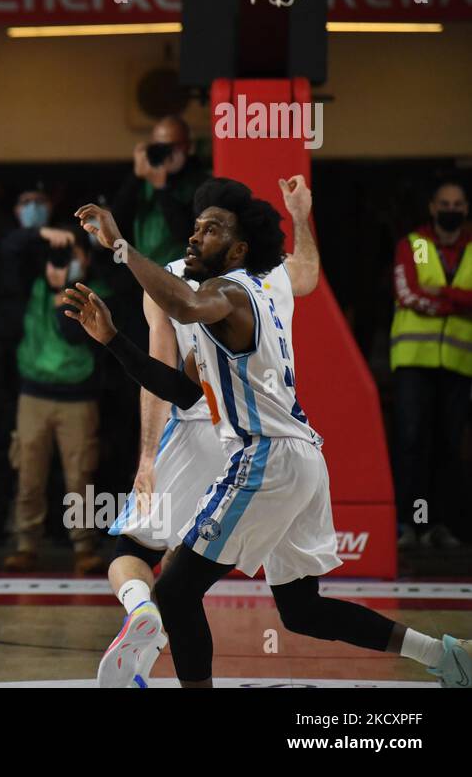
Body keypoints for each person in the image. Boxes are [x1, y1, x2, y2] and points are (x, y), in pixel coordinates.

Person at [68, 180, 472, 689]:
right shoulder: (237, 302)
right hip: (301, 459)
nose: (194, 238)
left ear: (238, 250)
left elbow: (185, 307)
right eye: (194, 228)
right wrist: (112, 340)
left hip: (266, 460)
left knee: (173, 592)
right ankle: (446, 656)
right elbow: (182, 389)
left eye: (210, 231)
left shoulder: (228, 293)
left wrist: (121, 249)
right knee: (302, 610)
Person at [97, 175, 321, 688]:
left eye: (208, 226)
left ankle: (142, 615)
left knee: (136, 554)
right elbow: (307, 273)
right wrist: (302, 215)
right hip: (268, 439)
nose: (199, 234)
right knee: (201, 577)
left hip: (205, 427)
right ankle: (157, 642)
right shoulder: (269, 275)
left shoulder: (170, 281)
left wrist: (148, 456)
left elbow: (160, 373)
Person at [4, 225, 106, 576]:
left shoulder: (92, 294)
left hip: (77, 398)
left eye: (70, 256)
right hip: (33, 394)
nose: (61, 264)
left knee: (80, 476)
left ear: (85, 259)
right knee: (29, 473)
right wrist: (42, 234)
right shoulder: (30, 288)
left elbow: (73, 335)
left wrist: (63, 292)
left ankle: (84, 545)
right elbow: (8, 249)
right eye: (57, 258)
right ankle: (26, 544)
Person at [389, 177, 472, 550]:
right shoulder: (417, 246)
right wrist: (459, 302)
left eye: (458, 204)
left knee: (449, 447)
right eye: (445, 203)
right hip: (414, 363)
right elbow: (409, 293)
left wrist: (445, 295)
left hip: (457, 364)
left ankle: (439, 524)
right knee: (412, 443)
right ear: (433, 208)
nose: (451, 210)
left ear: (466, 209)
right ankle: (412, 522)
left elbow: (430, 293)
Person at [110, 115, 208, 267]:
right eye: (160, 147)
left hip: (183, 268)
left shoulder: (200, 182)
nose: (166, 153)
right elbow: (117, 221)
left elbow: (185, 233)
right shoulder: (143, 179)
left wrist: (162, 188)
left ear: (188, 147)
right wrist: (136, 177)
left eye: (173, 147)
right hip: (146, 268)